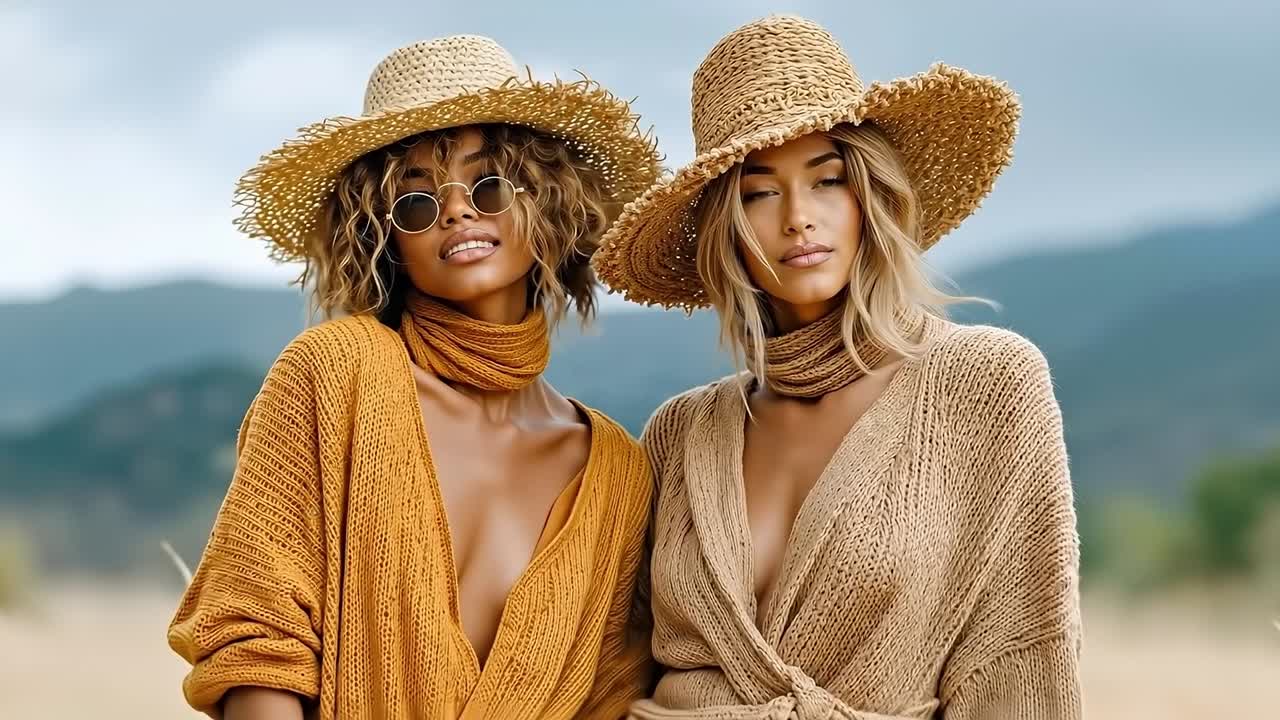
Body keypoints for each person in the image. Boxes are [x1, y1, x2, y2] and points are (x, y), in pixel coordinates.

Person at [594, 15, 1082, 719]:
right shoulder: (681, 432)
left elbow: (1024, 657)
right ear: (726, 227)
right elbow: (621, 668)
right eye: (760, 192)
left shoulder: (987, 382)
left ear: (870, 197)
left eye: (826, 181)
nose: (798, 217)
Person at [168, 33, 662, 720]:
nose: (457, 210)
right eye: (416, 201)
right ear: (384, 237)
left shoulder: (616, 467)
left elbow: (611, 694)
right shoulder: (334, 375)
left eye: (488, 184)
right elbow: (257, 642)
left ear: (548, 203)